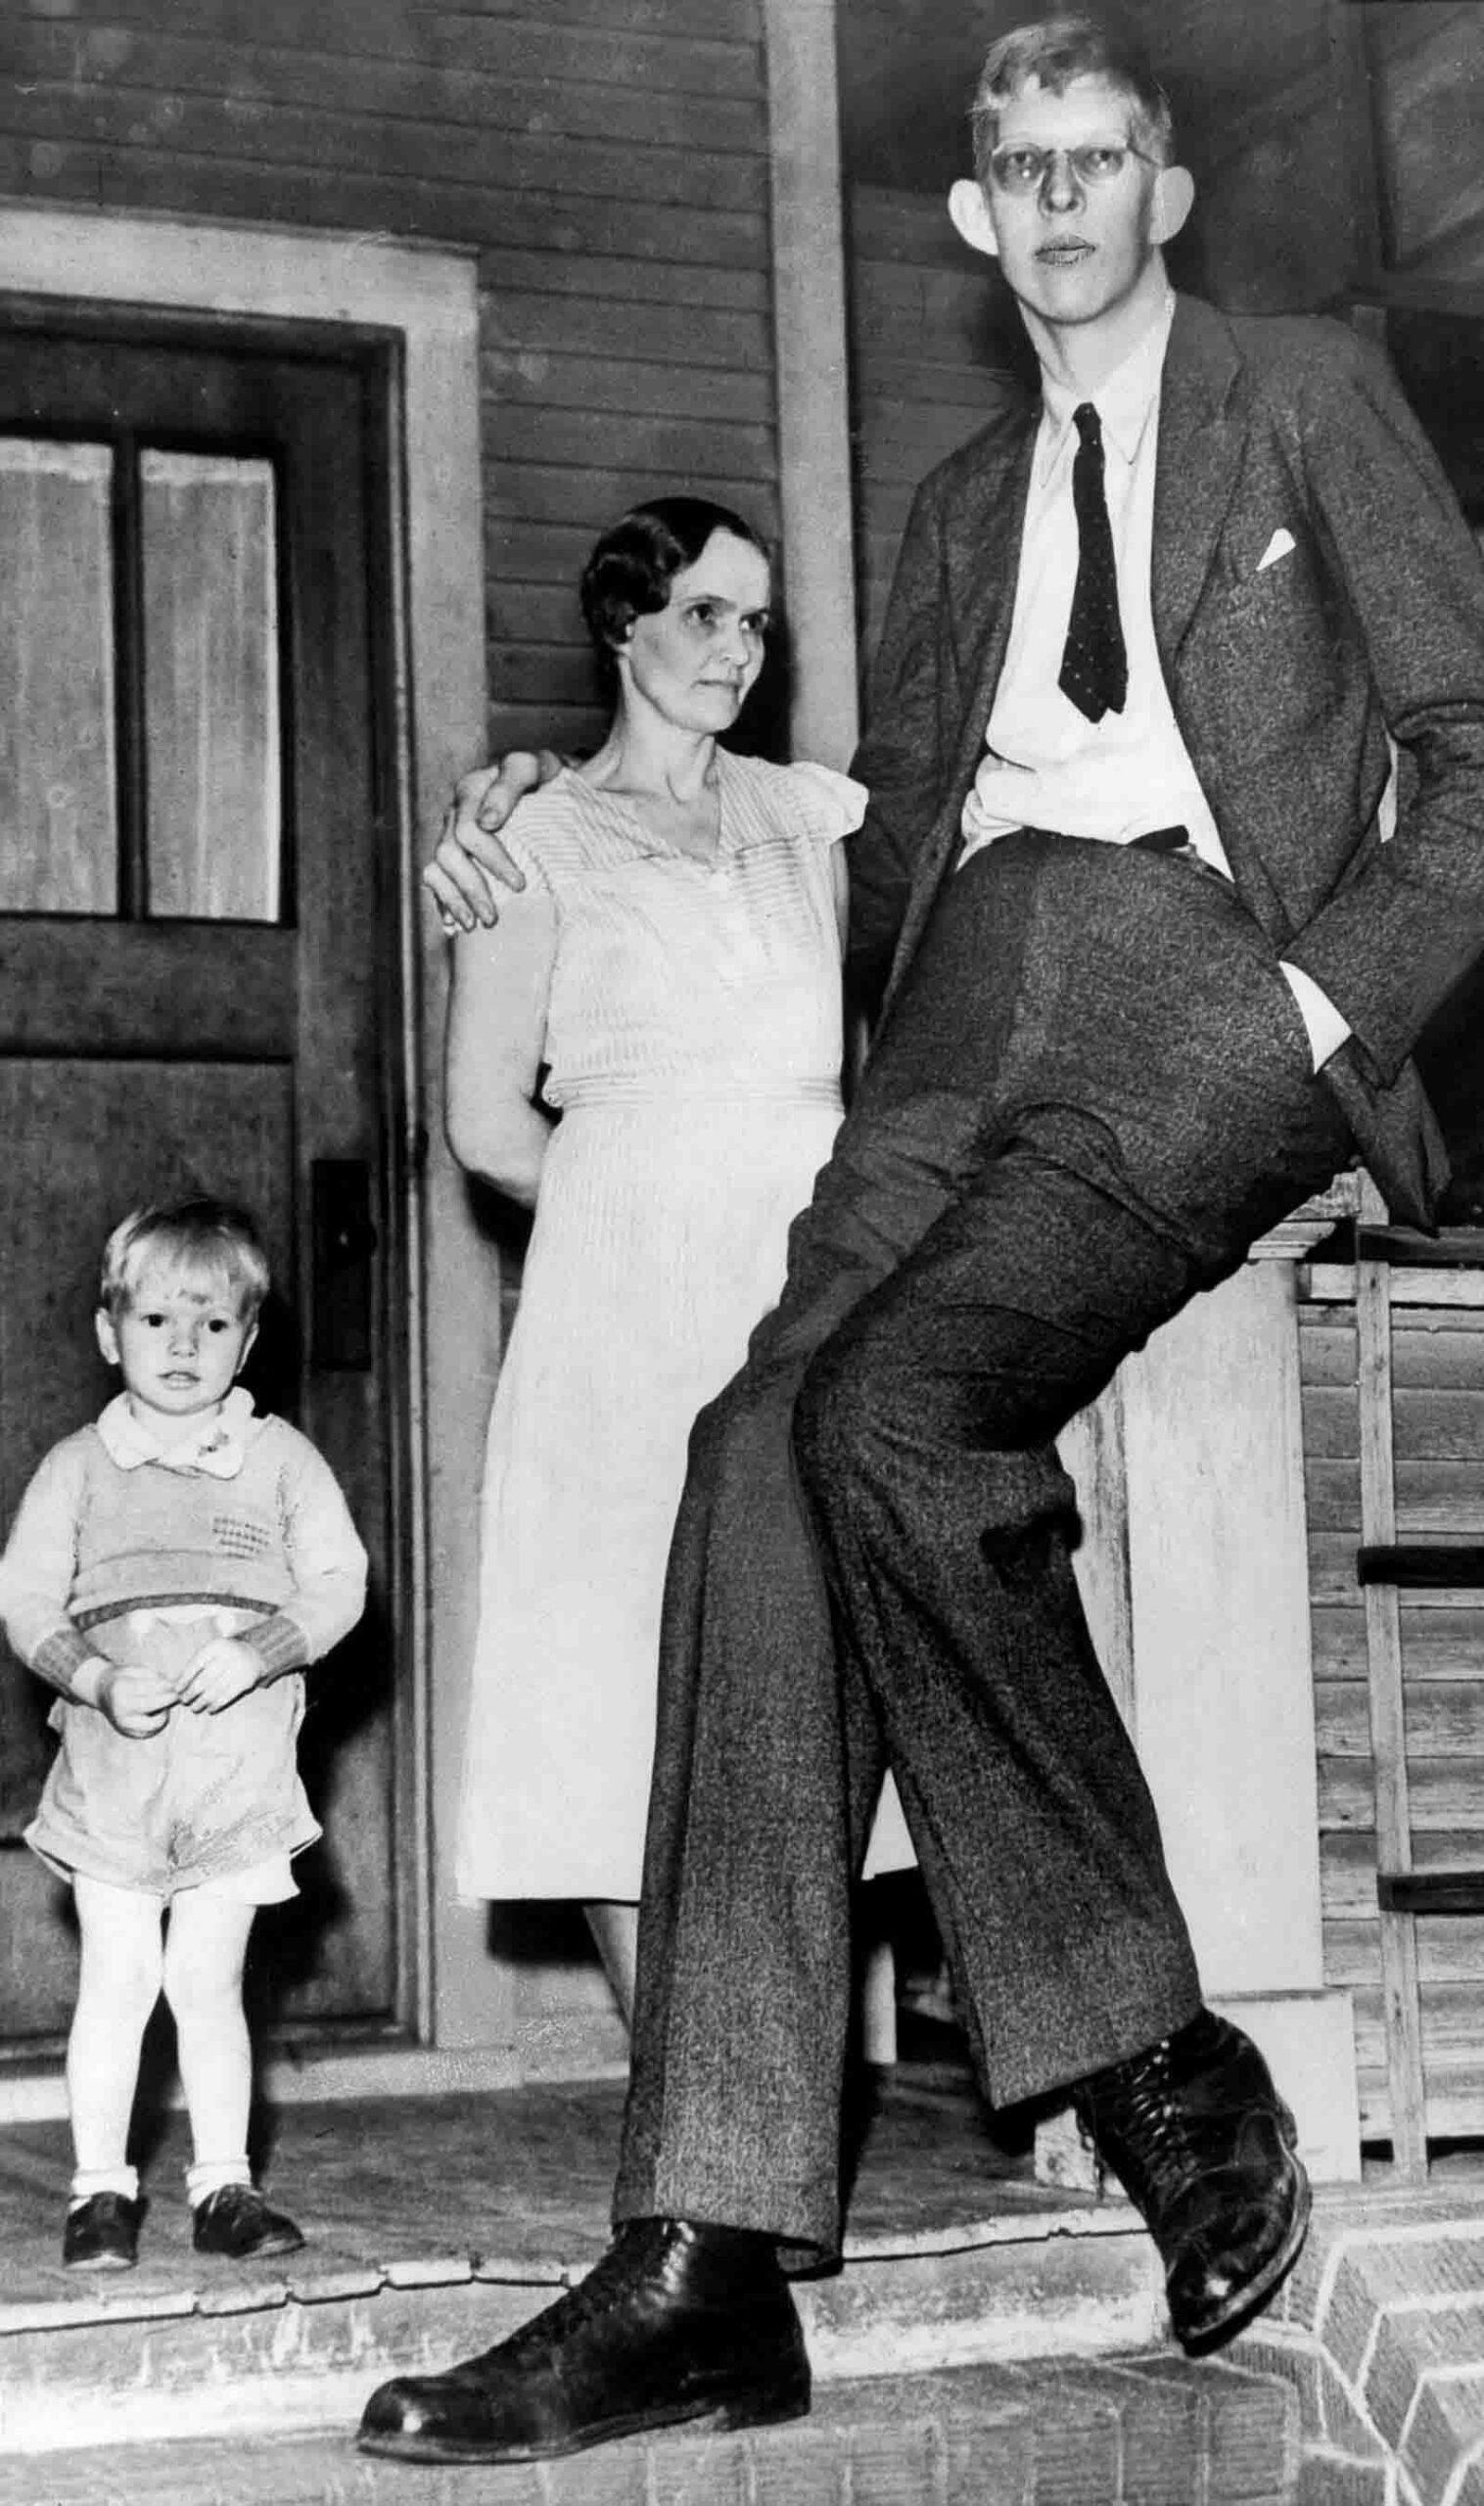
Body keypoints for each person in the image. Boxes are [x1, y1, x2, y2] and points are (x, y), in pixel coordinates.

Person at [362, 13, 1484, 2465]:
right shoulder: (962, 498)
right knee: (758, 1435)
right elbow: (848, 830)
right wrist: (541, 807)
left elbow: (1475, 741)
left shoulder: (1295, 391)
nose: (1060, 193)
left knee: (890, 1405)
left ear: (1159, 194)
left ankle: (1155, 2053)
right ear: (976, 219)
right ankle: (707, 2249)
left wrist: (1320, 1004)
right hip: (955, 986)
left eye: (1101, 155)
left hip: (1201, 972)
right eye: (1017, 164)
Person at [443, 493, 908, 2018]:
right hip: (620, 1315)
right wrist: (628, 1208)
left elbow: (845, 1068)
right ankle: (679, 2110)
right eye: (703, 613)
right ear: (620, 624)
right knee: (611, 1669)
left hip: (795, 1291)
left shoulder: (808, 818)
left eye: (754, 621)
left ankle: (772, 2093)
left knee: (799, 1671)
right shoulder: (531, 836)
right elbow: (485, 1124)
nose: (734, 648)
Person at [0, 1197, 367, 2271]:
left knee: (208, 1984)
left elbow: (341, 1582)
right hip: (116, 1778)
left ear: (247, 1342)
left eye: (212, 1326)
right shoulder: (77, 1464)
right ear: (111, 1333)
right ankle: (100, 2188)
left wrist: (264, 1648)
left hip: (234, 1776)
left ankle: (224, 2187)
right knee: (118, 1979)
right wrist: (96, 1675)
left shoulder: (280, 1458)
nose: (182, 1346)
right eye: (157, 1321)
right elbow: (26, 1600)